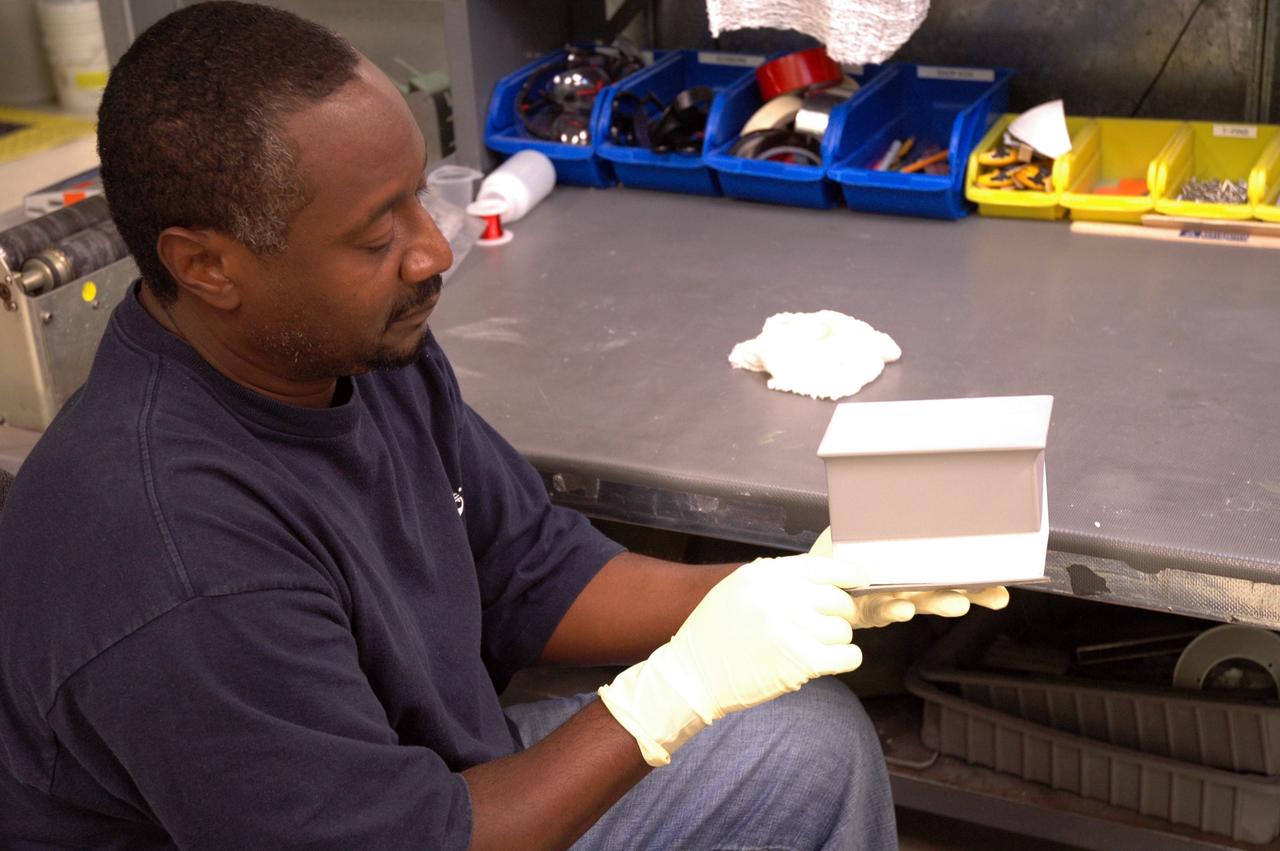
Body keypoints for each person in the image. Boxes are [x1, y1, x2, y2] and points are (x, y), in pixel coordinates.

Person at [0, 4, 1006, 849]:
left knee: (807, 744)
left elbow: (529, 571)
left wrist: (772, 589)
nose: (431, 250)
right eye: (374, 231)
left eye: (416, 197)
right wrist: (674, 693)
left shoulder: (347, 348)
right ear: (208, 264)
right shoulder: (175, 554)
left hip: (412, 784)